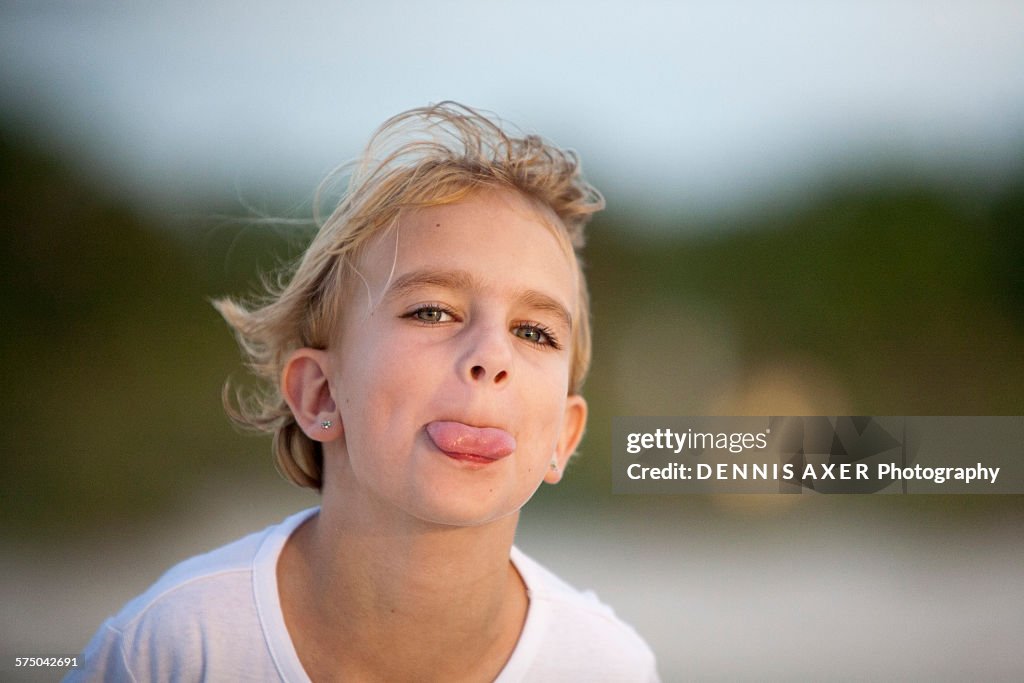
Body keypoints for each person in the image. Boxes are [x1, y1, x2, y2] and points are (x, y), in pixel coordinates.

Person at [68, 102, 659, 682]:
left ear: (563, 434)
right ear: (321, 394)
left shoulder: (607, 666)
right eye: (433, 311)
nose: (491, 357)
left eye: (534, 331)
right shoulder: (172, 645)